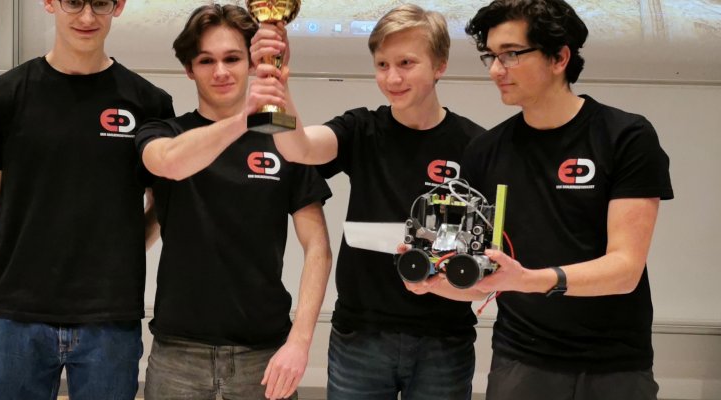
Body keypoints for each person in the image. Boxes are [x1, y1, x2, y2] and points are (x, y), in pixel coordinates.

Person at [250, 4, 486, 399]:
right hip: (361, 337)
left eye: (406, 63)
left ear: (440, 65)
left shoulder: (476, 145)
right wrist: (278, 83)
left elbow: (484, 260)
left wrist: (443, 280)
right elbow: (297, 149)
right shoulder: (362, 128)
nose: (392, 78)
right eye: (382, 65)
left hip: (443, 341)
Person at [453, 1, 674, 399]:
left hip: (615, 363)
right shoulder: (484, 151)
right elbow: (483, 280)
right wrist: (433, 283)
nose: (496, 70)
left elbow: (625, 269)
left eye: (511, 54)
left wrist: (528, 280)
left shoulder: (625, 137)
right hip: (521, 360)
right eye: (491, 56)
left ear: (559, 58)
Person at [0, 0, 174, 398]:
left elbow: (162, 204)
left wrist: (122, 253)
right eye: (74, 1)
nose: (87, 16)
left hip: (109, 319)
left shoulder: (149, 103)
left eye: (101, 3)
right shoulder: (1, 97)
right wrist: (28, 260)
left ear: (119, 6)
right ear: (49, 3)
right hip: (17, 317)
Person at [134, 4, 332, 400]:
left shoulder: (285, 140)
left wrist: (299, 342)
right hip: (178, 354)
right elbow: (168, 162)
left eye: (232, 58)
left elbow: (318, 248)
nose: (221, 71)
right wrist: (246, 117)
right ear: (189, 69)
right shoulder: (165, 131)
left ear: (252, 63)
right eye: (206, 60)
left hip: (264, 354)